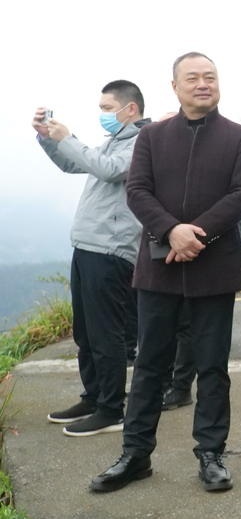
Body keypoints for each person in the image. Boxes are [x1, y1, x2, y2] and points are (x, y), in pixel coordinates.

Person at [90, 52, 241, 493]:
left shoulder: (240, 137)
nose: (203, 84)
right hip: (158, 266)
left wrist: (194, 234)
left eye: (210, 77)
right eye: (193, 78)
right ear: (175, 86)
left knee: (213, 366)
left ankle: (211, 453)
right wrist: (171, 230)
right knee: (150, 364)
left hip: (215, 267)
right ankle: (135, 454)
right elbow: (137, 190)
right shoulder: (151, 137)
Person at [34, 81, 149, 437]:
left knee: (106, 333)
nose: (103, 114)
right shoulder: (113, 141)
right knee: (85, 331)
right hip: (88, 246)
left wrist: (68, 136)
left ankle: (111, 409)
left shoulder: (143, 142)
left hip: (111, 250)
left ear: (130, 109)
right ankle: (94, 397)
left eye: (107, 107)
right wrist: (48, 139)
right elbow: (74, 164)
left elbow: (108, 169)